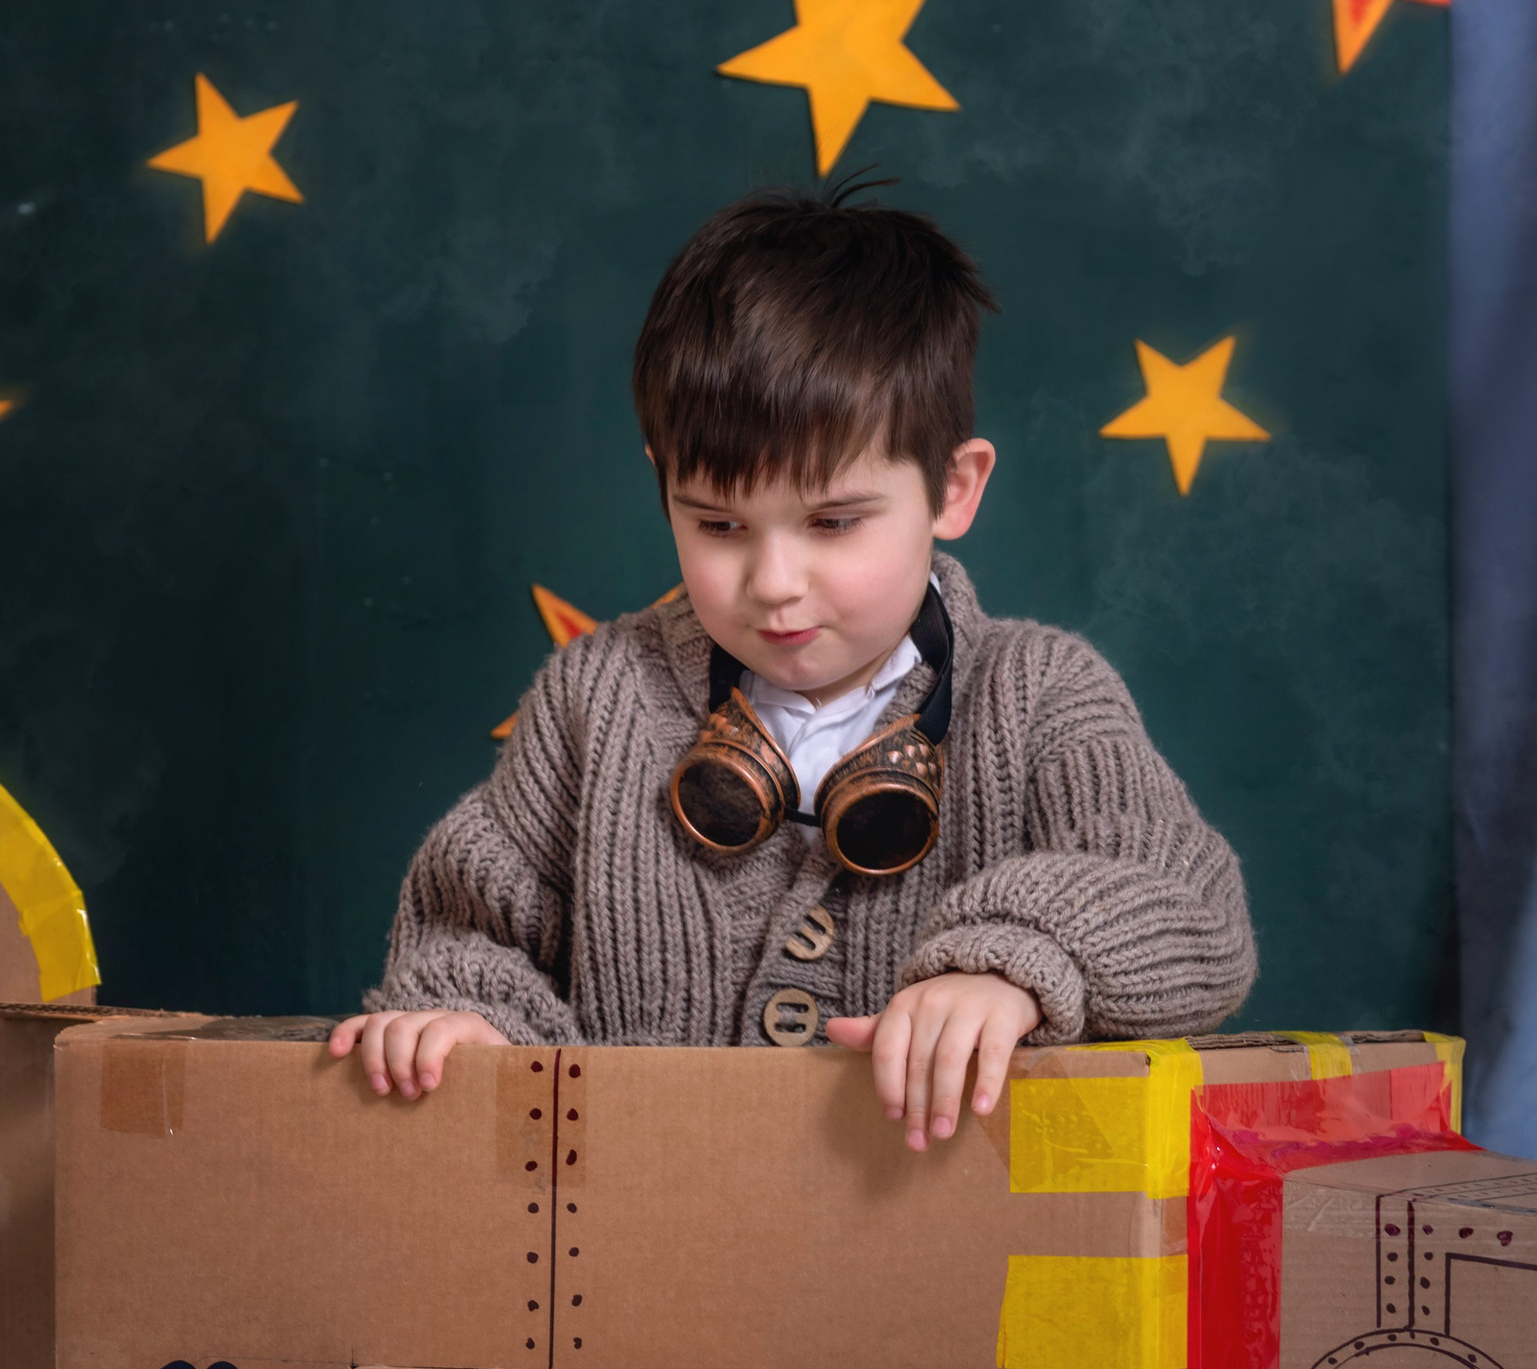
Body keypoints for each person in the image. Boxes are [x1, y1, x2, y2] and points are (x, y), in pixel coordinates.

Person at [329, 183, 1256, 1148]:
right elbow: (472, 929)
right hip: (647, 1243)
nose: (773, 583)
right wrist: (470, 1016)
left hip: (931, 1261)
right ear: (663, 486)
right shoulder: (594, 697)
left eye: (833, 522)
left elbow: (1193, 910)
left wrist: (1012, 965)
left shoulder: (1041, 692)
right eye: (718, 524)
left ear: (953, 487)